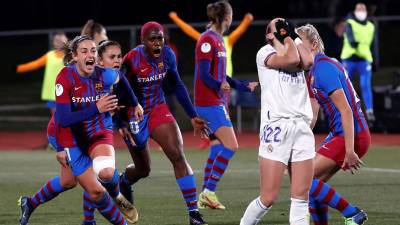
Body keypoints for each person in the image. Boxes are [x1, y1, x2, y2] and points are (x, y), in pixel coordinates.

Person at [18, 35, 139, 225]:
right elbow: (64, 119)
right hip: (67, 135)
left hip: (98, 130)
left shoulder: (103, 74)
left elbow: (121, 78)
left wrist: (135, 104)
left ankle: (114, 196)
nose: (90, 54)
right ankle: (30, 203)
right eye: (84, 51)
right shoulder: (65, 78)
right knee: (71, 182)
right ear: (74, 56)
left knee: (105, 174)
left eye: (93, 51)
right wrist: (60, 147)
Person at [117, 21, 209, 225]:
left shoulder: (168, 55)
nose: (158, 43)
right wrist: (121, 121)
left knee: (177, 155)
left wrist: (193, 115)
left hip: (158, 108)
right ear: (143, 41)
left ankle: (194, 213)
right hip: (134, 114)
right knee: (143, 170)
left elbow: (176, 84)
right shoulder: (131, 59)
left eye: (160, 38)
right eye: (153, 39)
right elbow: (118, 89)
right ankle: (124, 181)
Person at [240, 18, 315, 225]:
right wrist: (288, 37)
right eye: (278, 27)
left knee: (301, 197)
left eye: (285, 26)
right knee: (268, 198)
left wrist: (293, 37)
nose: (284, 29)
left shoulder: (296, 48)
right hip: (277, 126)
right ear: (269, 35)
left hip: (301, 125)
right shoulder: (264, 52)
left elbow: (308, 62)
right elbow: (291, 61)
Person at [297, 24, 369, 225]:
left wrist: (349, 149)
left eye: (299, 46)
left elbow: (346, 111)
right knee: (313, 185)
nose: (296, 52)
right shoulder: (312, 73)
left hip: (351, 134)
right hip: (342, 133)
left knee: (303, 181)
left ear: (313, 44)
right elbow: (312, 114)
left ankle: (352, 213)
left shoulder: (323, 69)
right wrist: (299, 141)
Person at [193, 1, 258, 210]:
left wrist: (242, 86)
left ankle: (203, 197)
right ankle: (209, 191)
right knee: (232, 145)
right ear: (227, 18)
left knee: (217, 147)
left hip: (216, 101)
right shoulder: (207, 40)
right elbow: (204, 75)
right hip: (209, 102)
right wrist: (218, 86)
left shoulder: (219, 40)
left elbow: (222, 75)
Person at [169, 9, 253, 150]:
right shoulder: (209, 40)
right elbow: (189, 30)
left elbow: (189, 30)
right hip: (216, 86)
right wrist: (247, 20)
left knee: (220, 122)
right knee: (222, 126)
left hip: (224, 85)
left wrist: (247, 21)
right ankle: (214, 140)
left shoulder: (225, 40)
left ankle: (214, 139)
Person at [340, 3, 377, 124]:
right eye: (358, 9)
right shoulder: (349, 23)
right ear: (355, 11)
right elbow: (351, 40)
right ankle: (344, 111)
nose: (361, 11)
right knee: (345, 86)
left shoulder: (371, 26)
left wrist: (376, 59)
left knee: (365, 85)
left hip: (364, 59)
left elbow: (373, 44)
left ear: (366, 11)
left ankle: (370, 112)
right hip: (349, 59)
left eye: (363, 9)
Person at [16, 32, 68, 114]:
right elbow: (34, 64)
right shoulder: (49, 55)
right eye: (56, 40)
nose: (59, 43)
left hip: (67, 92)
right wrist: (18, 68)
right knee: (56, 118)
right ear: (53, 42)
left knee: (68, 118)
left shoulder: (70, 56)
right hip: (53, 93)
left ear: (66, 41)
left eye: (61, 40)